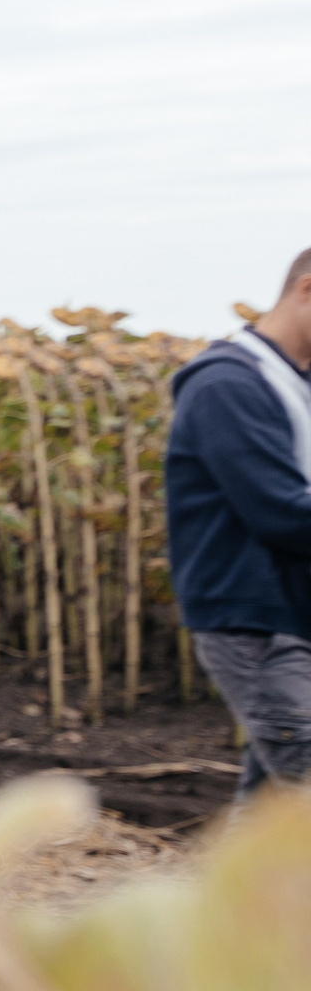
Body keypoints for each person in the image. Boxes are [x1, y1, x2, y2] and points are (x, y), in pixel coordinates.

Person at [167, 249, 311, 795]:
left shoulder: (293, 382)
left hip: (289, 616)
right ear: (307, 289)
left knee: (270, 815)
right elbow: (281, 512)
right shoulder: (228, 386)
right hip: (257, 623)